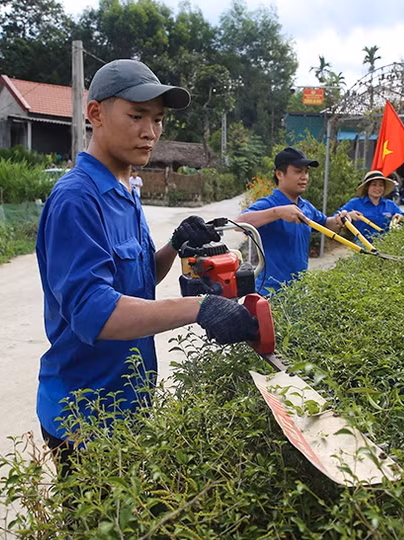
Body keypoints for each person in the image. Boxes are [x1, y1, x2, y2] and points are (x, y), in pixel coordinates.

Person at [35, 59, 258, 465]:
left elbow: (138, 282)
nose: (150, 132)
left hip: (129, 403)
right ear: (96, 113)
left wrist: (174, 245)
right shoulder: (77, 199)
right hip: (84, 415)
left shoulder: (125, 188)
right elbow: (95, 313)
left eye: (158, 120)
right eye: (136, 116)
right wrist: (200, 307)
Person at [236, 146, 359, 294]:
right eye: (298, 171)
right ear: (279, 174)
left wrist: (339, 219)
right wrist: (278, 213)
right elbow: (239, 224)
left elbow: (326, 224)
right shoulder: (269, 204)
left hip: (298, 293)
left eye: (306, 172)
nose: (304, 177)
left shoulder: (306, 207)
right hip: (270, 293)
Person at [337, 170, 404, 242]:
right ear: (367, 187)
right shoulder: (355, 203)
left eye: (381, 185)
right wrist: (348, 215)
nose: (377, 188)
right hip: (363, 245)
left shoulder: (390, 205)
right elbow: (337, 216)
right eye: (374, 184)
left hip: (385, 245)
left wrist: (402, 218)